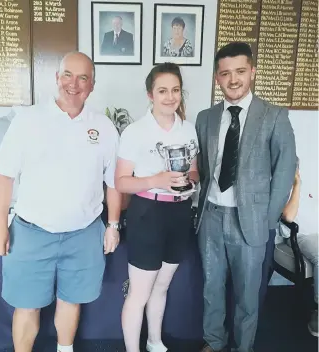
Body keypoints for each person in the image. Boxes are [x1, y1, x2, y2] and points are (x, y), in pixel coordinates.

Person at [0, 51, 122, 352]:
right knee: (26, 305)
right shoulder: (28, 121)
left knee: (71, 299)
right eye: (67, 75)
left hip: (84, 233)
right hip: (32, 233)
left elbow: (114, 182)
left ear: (92, 84)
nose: (74, 84)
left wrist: (112, 225)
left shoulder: (104, 127)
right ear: (56, 78)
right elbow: (3, 177)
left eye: (83, 78)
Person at [195, 42, 296, 352]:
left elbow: (285, 169)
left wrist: (267, 221)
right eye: (225, 73)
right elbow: (201, 166)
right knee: (212, 289)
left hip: (250, 221)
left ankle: (243, 347)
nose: (233, 79)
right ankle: (213, 341)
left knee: (247, 294)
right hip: (211, 216)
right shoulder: (205, 117)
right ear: (217, 78)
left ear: (252, 71)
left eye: (240, 71)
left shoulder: (274, 116)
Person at [115, 62, 199, 352]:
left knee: (161, 286)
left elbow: (196, 172)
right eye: (162, 90)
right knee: (139, 292)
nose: (170, 96)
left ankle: (154, 341)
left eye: (175, 90)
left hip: (179, 213)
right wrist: (157, 179)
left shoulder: (189, 129)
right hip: (147, 213)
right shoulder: (135, 132)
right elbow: (122, 183)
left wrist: (187, 180)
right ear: (150, 94)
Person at [279, 161, 318, 337]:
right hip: (303, 236)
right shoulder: (281, 188)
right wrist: (296, 185)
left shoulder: (310, 182)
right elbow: (288, 216)